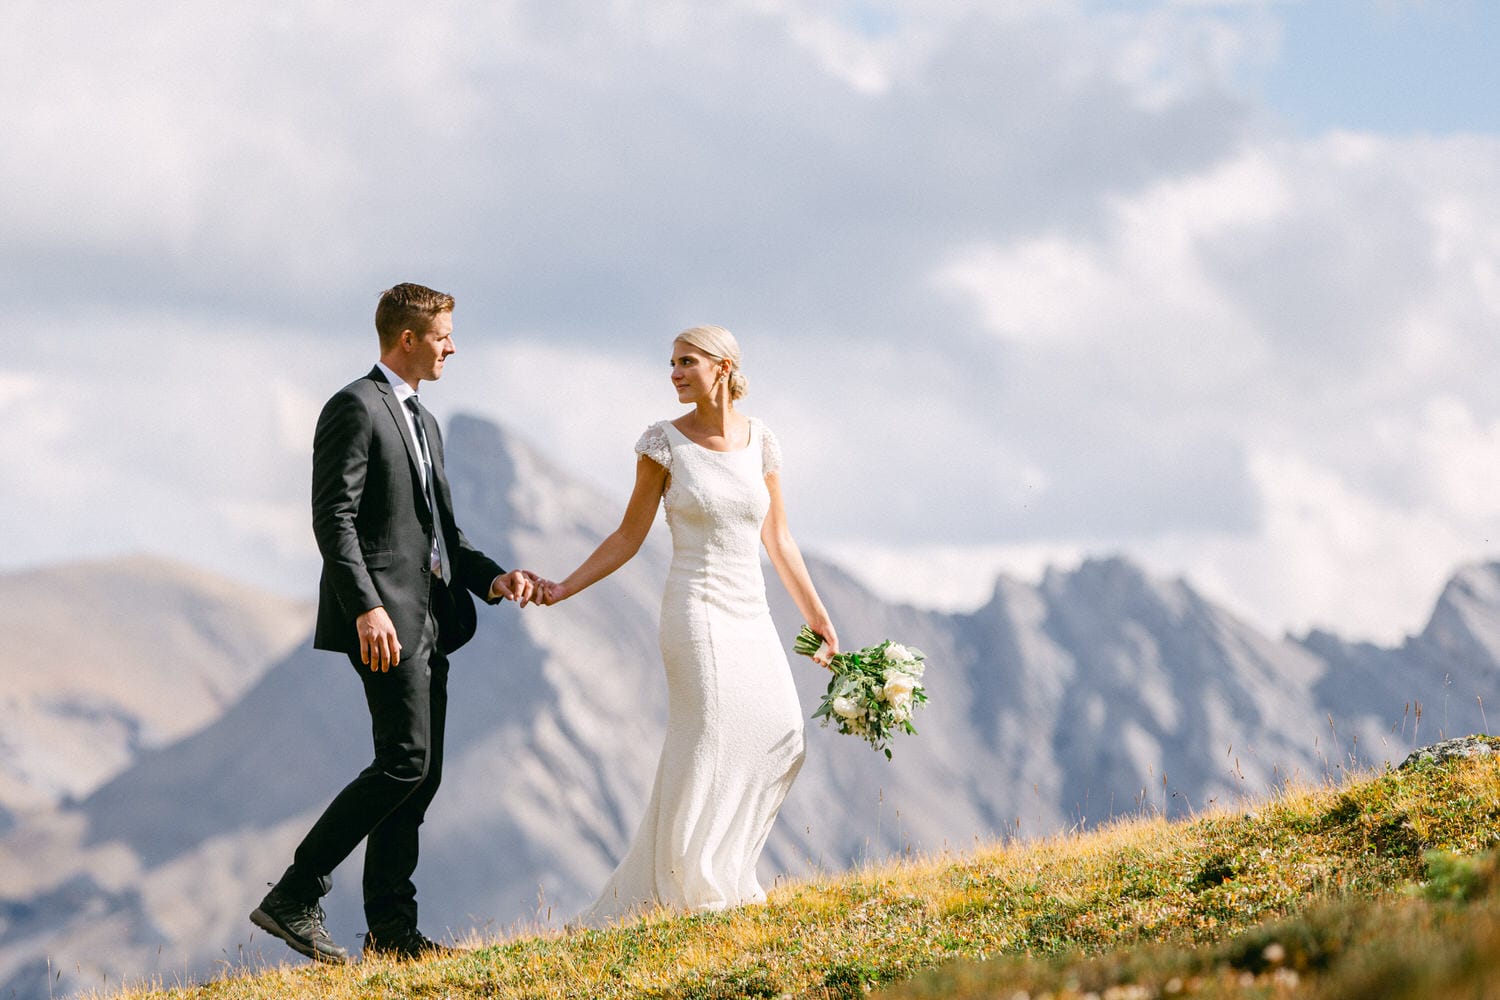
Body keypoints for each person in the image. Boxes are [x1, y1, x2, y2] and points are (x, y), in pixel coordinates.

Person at [250, 283, 537, 963]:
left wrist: (493, 578)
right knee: (404, 760)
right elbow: (334, 520)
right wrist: (368, 608)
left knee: (423, 770)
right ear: (407, 338)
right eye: (443, 335)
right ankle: (295, 893)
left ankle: (392, 934)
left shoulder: (424, 422)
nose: (452, 347)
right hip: (383, 621)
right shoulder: (354, 406)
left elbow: (442, 535)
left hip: (433, 617)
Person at [535, 324, 839, 924]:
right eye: (671, 363)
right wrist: (565, 586)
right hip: (694, 609)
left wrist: (818, 617)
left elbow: (777, 538)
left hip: (750, 610)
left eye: (687, 362)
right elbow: (629, 535)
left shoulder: (762, 442)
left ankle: (726, 868)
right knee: (707, 738)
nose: (674, 373)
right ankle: (695, 889)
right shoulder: (662, 444)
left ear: (723, 367)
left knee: (785, 733)